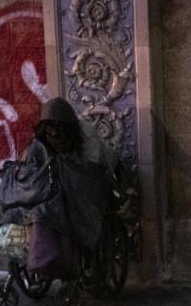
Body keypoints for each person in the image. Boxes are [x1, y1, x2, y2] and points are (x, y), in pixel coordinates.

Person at [18, 98, 118, 279]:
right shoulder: (42, 140)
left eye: (60, 133)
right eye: (51, 133)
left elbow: (90, 173)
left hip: (95, 173)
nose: (55, 136)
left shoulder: (87, 137)